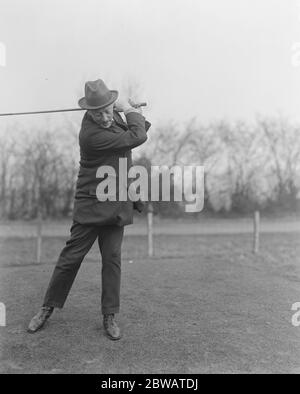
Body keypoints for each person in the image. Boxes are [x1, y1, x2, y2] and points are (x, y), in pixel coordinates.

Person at [27, 79, 151, 340]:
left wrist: (128, 110)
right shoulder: (90, 134)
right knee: (70, 259)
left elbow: (135, 128)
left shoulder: (113, 119)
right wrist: (129, 110)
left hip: (116, 201)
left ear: (110, 106)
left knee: (113, 260)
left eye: (108, 110)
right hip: (92, 204)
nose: (105, 117)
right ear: (89, 113)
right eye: (98, 114)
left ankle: (109, 316)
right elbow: (137, 135)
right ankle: (46, 308)